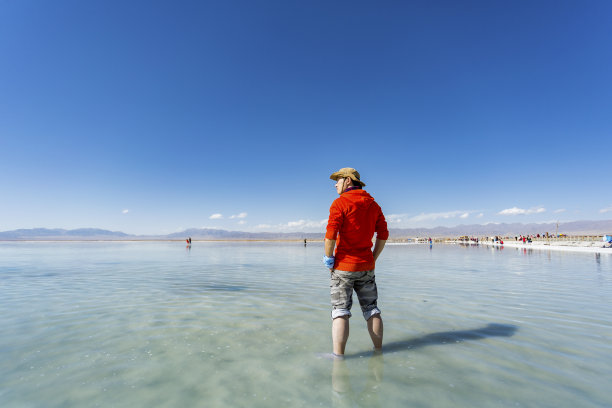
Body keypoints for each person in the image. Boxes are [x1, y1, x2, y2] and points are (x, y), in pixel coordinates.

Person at [323, 167, 389, 358]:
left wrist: (329, 260)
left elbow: (330, 236)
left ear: (348, 181)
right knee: (372, 309)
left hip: (343, 267)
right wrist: (373, 257)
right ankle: (378, 352)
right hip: (366, 266)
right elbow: (383, 234)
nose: (335, 184)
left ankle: (338, 358)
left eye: (338, 180)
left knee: (340, 312)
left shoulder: (340, 203)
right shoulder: (373, 205)